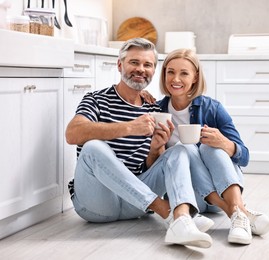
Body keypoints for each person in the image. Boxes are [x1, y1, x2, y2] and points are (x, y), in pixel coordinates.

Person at [65, 38, 213, 248]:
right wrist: (129, 127)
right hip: (97, 203)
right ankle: (169, 213)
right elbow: (72, 134)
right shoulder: (95, 99)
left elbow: (153, 167)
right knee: (92, 147)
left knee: (180, 151)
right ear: (120, 65)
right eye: (134, 62)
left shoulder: (153, 108)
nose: (141, 69)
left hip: (136, 203)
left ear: (154, 71)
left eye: (148, 65)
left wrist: (155, 149)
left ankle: (181, 216)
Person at [157, 48, 269, 245]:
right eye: (170, 72)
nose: (176, 79)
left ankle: (236, 211)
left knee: (208, 147)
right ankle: (239, 214)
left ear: (195, 77)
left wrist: (225, 144)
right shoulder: (156, 110)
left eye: (184, 73)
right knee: (183, 149)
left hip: (223, 189)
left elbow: (244, 157)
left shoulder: (213, 108)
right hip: (190, 199)